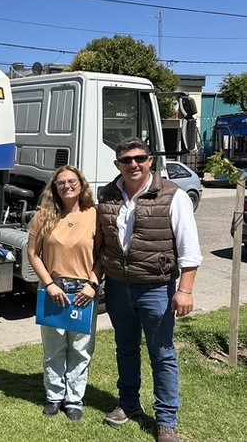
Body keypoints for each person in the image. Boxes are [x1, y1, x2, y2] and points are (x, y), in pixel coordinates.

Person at [97, 137, 202, 442]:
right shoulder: (107, 195)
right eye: (126, 160)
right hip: (117, 287)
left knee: (162, 354)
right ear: (117, 164)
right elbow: (100, 241)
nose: (134, 164)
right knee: (126, 349)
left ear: (150, 160)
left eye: (139, 158)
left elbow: (189, 249)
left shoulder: (173, 196)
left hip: (156, 289)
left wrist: (185, 290)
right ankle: (128, 404)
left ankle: (166, 419)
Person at [27, 165, 102, 421]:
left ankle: (74, 400)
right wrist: (49, 284)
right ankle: (54, 396)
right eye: (61, 183)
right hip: (52, 287)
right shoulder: (43, 215)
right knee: (54, 347)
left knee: (81, 348)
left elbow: (102, 255)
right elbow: (32, 254)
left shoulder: (94, 214)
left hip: (83, 290)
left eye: (72, 181)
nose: (66, 186)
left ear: (81, 184)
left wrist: (92, 284)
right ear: (54, 188)